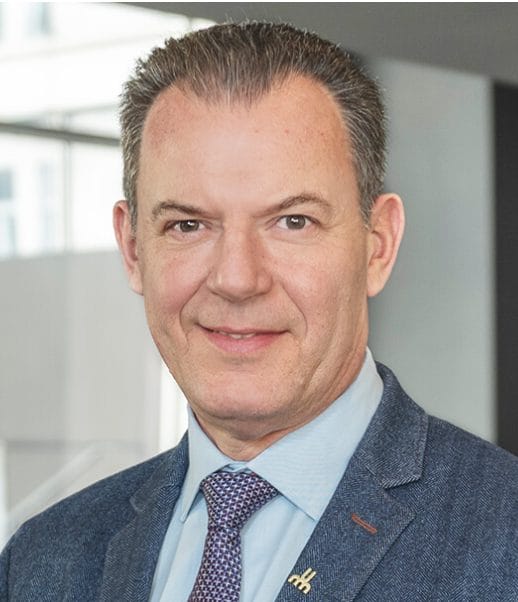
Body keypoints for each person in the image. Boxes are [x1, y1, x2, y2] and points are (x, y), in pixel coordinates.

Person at [1, 21, 517, 602]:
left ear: (378, 245)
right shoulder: (41, 562)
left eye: (293, 221)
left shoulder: (506, 540)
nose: (237, 279)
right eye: (188, 225)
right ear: (134, 249)